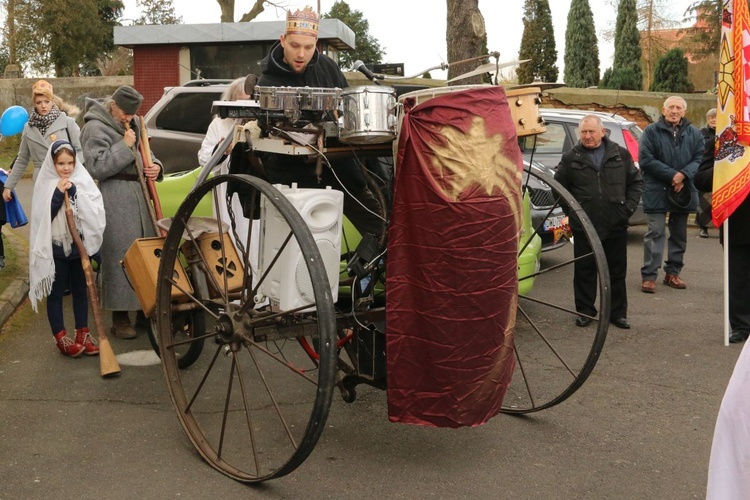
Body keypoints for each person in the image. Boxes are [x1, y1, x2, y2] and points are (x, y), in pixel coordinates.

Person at [255, 7, 385, 240]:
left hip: (341, 166)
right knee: (304, 242)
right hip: (294, 175)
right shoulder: (268, 79)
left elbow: (347, 107)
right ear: (282, 40)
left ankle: (378, 266)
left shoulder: (327, 67)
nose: (301, 54)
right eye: (295, 46)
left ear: (316, 43)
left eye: (308, 47)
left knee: (378, 226)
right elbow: (268, 126)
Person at [80, 85, 162, 339]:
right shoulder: (94, 128)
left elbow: (146, 153)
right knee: (120, 256)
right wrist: (124, 146)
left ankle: (144, 312)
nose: (128, 117)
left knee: (144, 254)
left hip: (139, 194)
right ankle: (119, 316)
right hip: (114, 196)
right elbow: (97, 167)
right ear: (113, 105)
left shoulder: (134, 123)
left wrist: (156, 167)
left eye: (131, 114)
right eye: (125, 112)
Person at [554, 115, 643, 330]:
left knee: (616, 272)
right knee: (584, 270)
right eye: (584, 132)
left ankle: (617, 314)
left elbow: (636, 183)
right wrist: (573, 216)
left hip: (615, 224)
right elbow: (558, 190)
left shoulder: (620, 155)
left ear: (602, 132)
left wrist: (627, 209)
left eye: (592, 131)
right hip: (585, 226)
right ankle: (585, 311)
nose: (588, 136)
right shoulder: (570, 158)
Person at [28, 140, 106, 357]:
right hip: (55, 248)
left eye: (70, 162)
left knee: (82, 290)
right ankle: (61, 338)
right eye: (61, 163)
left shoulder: (81, 180)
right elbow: (43, 218)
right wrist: (56, 195)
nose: (66, 168)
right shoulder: (45, 184)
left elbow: (92, 212)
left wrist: (73, 194)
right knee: (56, 293)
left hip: (78, 247)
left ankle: (83, 333)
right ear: (52, 164)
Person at [638, 95, 704, 293]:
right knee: (655, 232)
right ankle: (649, 276)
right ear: (663, 110)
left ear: (684, 111)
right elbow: (646, 160)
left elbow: (699, 157)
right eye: (671, 107)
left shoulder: (695, 133)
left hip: (683, 190)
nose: (674, 111)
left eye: (678, 108)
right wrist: (672, 176)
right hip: (657, 189)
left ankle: (673, 273)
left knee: (679, 234)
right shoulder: (650, 131)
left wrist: (683, 175)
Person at [694, 124, 750, 344]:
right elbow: (701, 180)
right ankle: (741, 326)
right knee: (737, 279)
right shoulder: (719, 145)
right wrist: (727, 168)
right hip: (736, 224)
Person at [3, 80, 82, 203]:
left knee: (69, 217)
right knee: (45, 219)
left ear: (53, 101)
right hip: (42, 179)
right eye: (39, 102)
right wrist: (9, 186)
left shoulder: (68, 123)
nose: (43, 106)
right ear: (34, 104)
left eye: (47, 101)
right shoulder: (28, 128)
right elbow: (22, 159)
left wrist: (73, 172)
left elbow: (79, 151)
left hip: (67, 179)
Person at [697, 108, 716, 239]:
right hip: (706, 168)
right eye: (711, 118)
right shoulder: (702, 133)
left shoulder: (725, 132)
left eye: (716, 117)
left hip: (721, 169)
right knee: (705, 203)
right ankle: (703, 227)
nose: (714, 120)